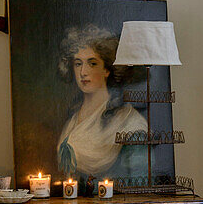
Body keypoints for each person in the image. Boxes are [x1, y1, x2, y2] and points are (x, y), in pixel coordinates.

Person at [56, 24, 147, 190]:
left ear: (107, 69)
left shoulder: (128, 122)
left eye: (92, 64)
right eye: (78, 63)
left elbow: (138, 179)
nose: (83, 72)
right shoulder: (73, 116)